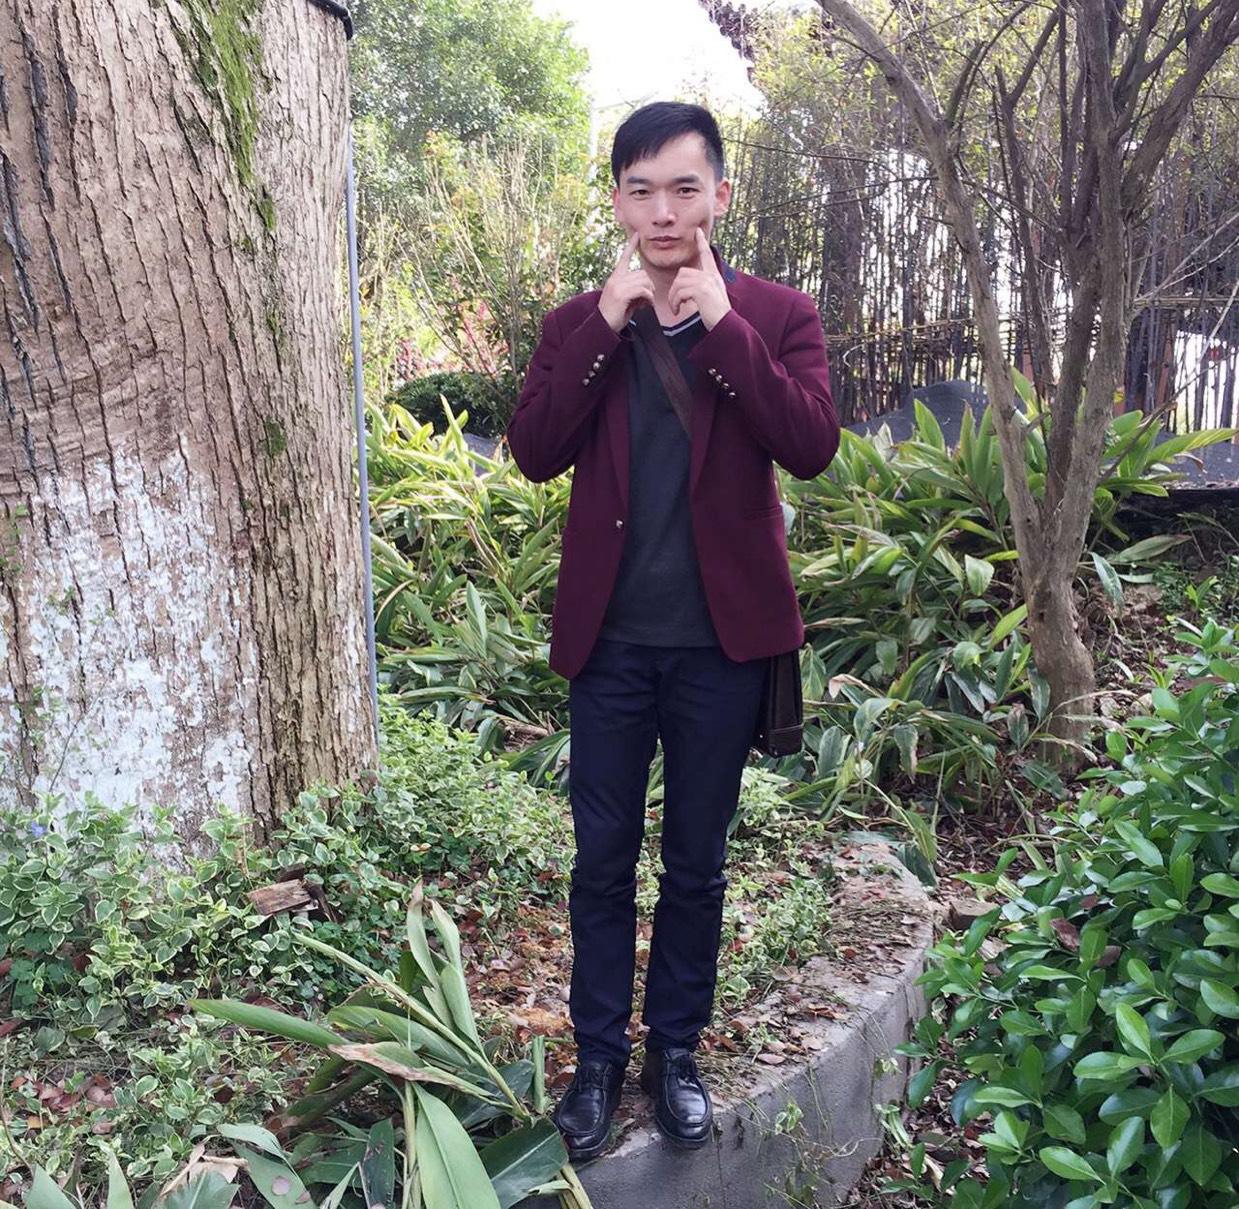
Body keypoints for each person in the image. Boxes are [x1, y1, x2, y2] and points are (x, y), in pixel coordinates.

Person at [504, 101, 839, 1162]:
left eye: (684, 187)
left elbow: (812, 445)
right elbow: (533, 451)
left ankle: (675, 1055)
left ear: (718, 197)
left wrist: (724, 329)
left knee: (696, 863)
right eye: (641, 189)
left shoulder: (776, 315)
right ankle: (598, 1060)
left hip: (719, 650)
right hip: (609, 646)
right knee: (601, 861)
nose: (663, 210)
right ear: (617, 201)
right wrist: (604, 328)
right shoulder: (578, 323)